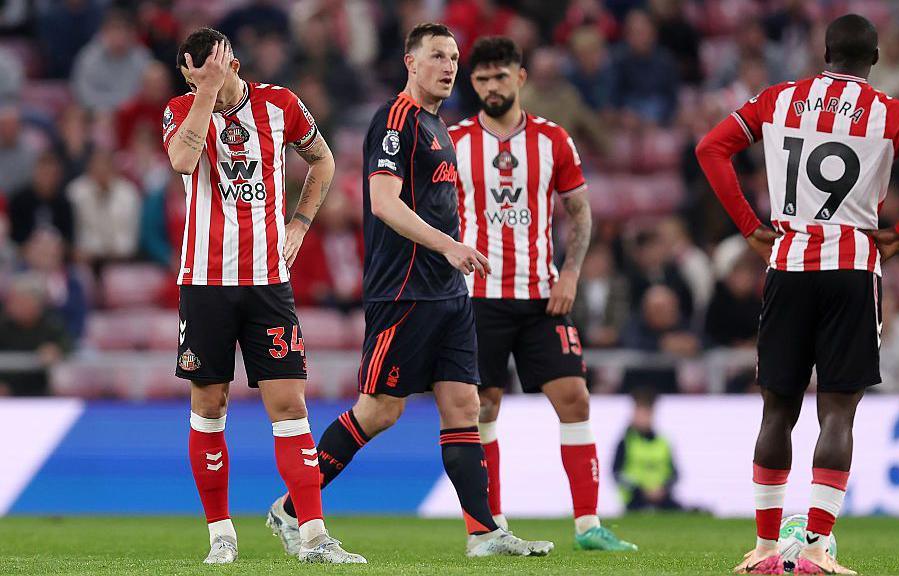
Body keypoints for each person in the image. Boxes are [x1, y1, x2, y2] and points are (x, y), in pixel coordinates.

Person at [266, 23, 553, 559]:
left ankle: (484, 533)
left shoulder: (437, 126)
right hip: (403, 293)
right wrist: (449, 244)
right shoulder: (395, 121)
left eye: (453, 57)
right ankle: (290, 509)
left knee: (464, 404)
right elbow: (383, 202)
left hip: (447, 293)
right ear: (410, 62)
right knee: (379, 411)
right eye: (438, 56)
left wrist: (452, 253)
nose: (449, 66)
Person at [696, 14, 899, 575]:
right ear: (872, 61)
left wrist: (748, 225)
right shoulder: (889, 111)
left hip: (787, 261)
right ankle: (816, 548)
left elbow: (710, 149)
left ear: (824, 53)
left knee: (776, 409)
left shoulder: (779, 98)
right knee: (837, 410)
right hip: (852, 264)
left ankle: (766, 549)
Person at [161, 28, 360, 565]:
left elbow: (323, 162)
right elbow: (182, 161)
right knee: (209, 405)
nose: (203, 76)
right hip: (204, 282)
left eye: (212, 66)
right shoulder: (179, 109)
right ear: (185, 75)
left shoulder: (281, 105)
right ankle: (221, 535)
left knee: (291, 406)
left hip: (267, 282)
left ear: (234, 60)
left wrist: (300, 222)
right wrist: (206, 93)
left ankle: (314, 536)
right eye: (193, 71)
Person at [447, 36, 635, 551]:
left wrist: (570, 274)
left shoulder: (553, 140)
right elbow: (430, 212)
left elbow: (580, 212)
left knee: (574, 397)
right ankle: (489, 524)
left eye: (500, 76)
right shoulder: (454, 139)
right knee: (482, 407)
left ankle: (588, 525)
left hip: (541, 296)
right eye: (481, 79)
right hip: (476, 297)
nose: (490, 86)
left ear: (520, 78)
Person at [612, 388, 682, 511]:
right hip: (635, 500)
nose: (642, 418)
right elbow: (617, 473)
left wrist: (662, 489)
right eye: (639, 413)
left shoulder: (663, 442)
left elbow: (675, 474)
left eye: (645, 413)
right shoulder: (626, 442)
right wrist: (641, 491)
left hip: (662, 499)